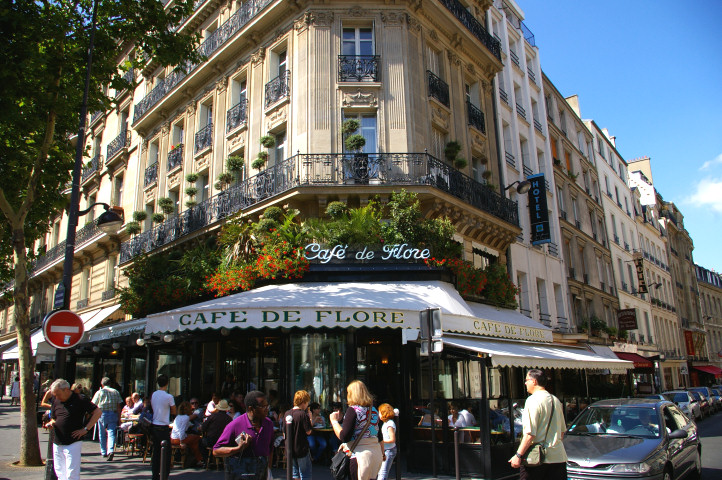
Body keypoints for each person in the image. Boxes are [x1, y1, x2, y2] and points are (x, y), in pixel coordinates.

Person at [509, 369, 567, 480]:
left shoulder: (532, 400)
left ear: (534, 381)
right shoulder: (555, 400)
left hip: (537, 459)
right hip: (558, 456)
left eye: (526, 380)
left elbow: (530, 434)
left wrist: (518, 455)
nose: (525, 383)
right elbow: (562, 432)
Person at [44, 379, 101, 480]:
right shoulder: (56, 400)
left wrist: (86, 429)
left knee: (72, 472)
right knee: (59, 471)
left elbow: (97, 412)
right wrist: (50, 423)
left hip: (73, 441)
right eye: (55, 395)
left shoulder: (80, 399)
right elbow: (54, 418)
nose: (57, 397)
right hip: (57, 440)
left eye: (58, 394)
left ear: (66, 390)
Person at [213, 390, 275, 480]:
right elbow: (216, 451)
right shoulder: (235, 425)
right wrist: (238, 449)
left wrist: (268, 471)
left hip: (262, 474)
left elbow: (270, 450)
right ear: (251, 408)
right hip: (241, 474)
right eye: (263, 406)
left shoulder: (269, 424)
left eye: (267, 405)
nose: (267, 409)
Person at [329, 380, 383, 480]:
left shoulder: (353, 410)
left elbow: (344, 436)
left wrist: (334, 421)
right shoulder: (373, 410)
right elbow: (379, 435)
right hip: (375, 454)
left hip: (359, 456)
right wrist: (382, 453)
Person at [91, 376, 124, 461]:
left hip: (102, 413)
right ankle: (111, 450)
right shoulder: (115, 392)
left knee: (102, 433)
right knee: (111, 432)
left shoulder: (100, 392)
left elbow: (93, 404)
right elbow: (118, 406)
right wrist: (119, 417)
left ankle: (103, 451)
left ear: (102, 384)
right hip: (113, 413)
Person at [150, 374, 176, 480]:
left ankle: (155, 474)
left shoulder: (154, 395)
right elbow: (174, 410)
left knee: (156, 452)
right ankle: (164, 474)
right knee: (166, 452)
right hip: (163, 426)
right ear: (167, 383)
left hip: (155, 425)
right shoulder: (169, 397)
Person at [284, 390, 313, 479]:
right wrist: (310, 419)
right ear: (304, 402)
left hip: (290, 448)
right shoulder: (303, 414)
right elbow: (308, 431)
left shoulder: (287, 413)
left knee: (294, 473)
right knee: (305, 473)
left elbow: (284, 433)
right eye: (307, 402)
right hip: (301, 448)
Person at [171, 401, 204, 467]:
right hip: (179, 438)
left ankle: (197, 459)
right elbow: (182, 431)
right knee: (197, 438)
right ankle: (199, 459)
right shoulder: (186, 418)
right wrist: (181, 442)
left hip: (173, 438)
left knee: (193, 442)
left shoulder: (178, 417)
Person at [377, 403, 397, 480]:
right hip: (384, 450)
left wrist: (381, 441)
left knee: (383, 471)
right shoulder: (385, 423)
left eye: (380, 413)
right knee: (381, 471)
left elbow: (392, 439)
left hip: (389, 450)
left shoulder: (390, 424)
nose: (379, 415)